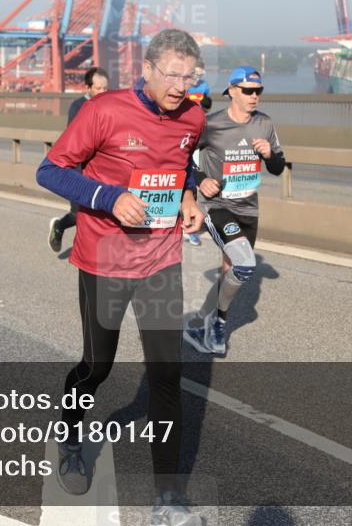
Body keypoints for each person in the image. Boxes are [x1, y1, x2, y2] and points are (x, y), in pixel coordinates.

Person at [36, 29, 207, 525]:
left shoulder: (193, 117)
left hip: (161, 259)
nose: (180, 86)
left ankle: (168, 500)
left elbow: (181, 166)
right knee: (97, 367)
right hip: (104, 259)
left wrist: (190, 198)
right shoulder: (103, 110)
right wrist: (109, 198)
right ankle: (70, 435)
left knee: (166, 374)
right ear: (147, 69)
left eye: (189, 77)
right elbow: (50, 170)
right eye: (171, 75)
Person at [183, 66, 285, 356]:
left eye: (258, 91)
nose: (254, 96)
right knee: (245, 264)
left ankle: (203, 324)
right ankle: (217, 325)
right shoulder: (211, 124)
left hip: (248, 209)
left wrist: (270, 155)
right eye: (248, 91)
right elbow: (184, 158)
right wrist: (201, 180)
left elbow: (278, 168)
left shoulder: (264, 123)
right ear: (231, 92)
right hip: (217, 206)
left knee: (232, 270)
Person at [46, 66, 109, 252]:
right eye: (98, 88)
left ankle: (96, 250)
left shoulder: (110, 104)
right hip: (79, 168)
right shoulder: (78, 106)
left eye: (105, 88)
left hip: (102, 167)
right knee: (78, 212)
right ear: (88, 87)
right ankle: (59, 225)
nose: (103, 92)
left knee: (99, 211)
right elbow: (75, 139)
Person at [183, 61, 212, 246]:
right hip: (184, 134)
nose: (198, 78)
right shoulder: (183, 86)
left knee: (194, 179)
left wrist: (205, 103)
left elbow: (208, 107)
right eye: (195, 75)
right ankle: (187, 224)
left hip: (199, 134)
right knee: (186, 179)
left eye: (201, 75)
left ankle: (190, 226)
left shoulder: (205, 86)